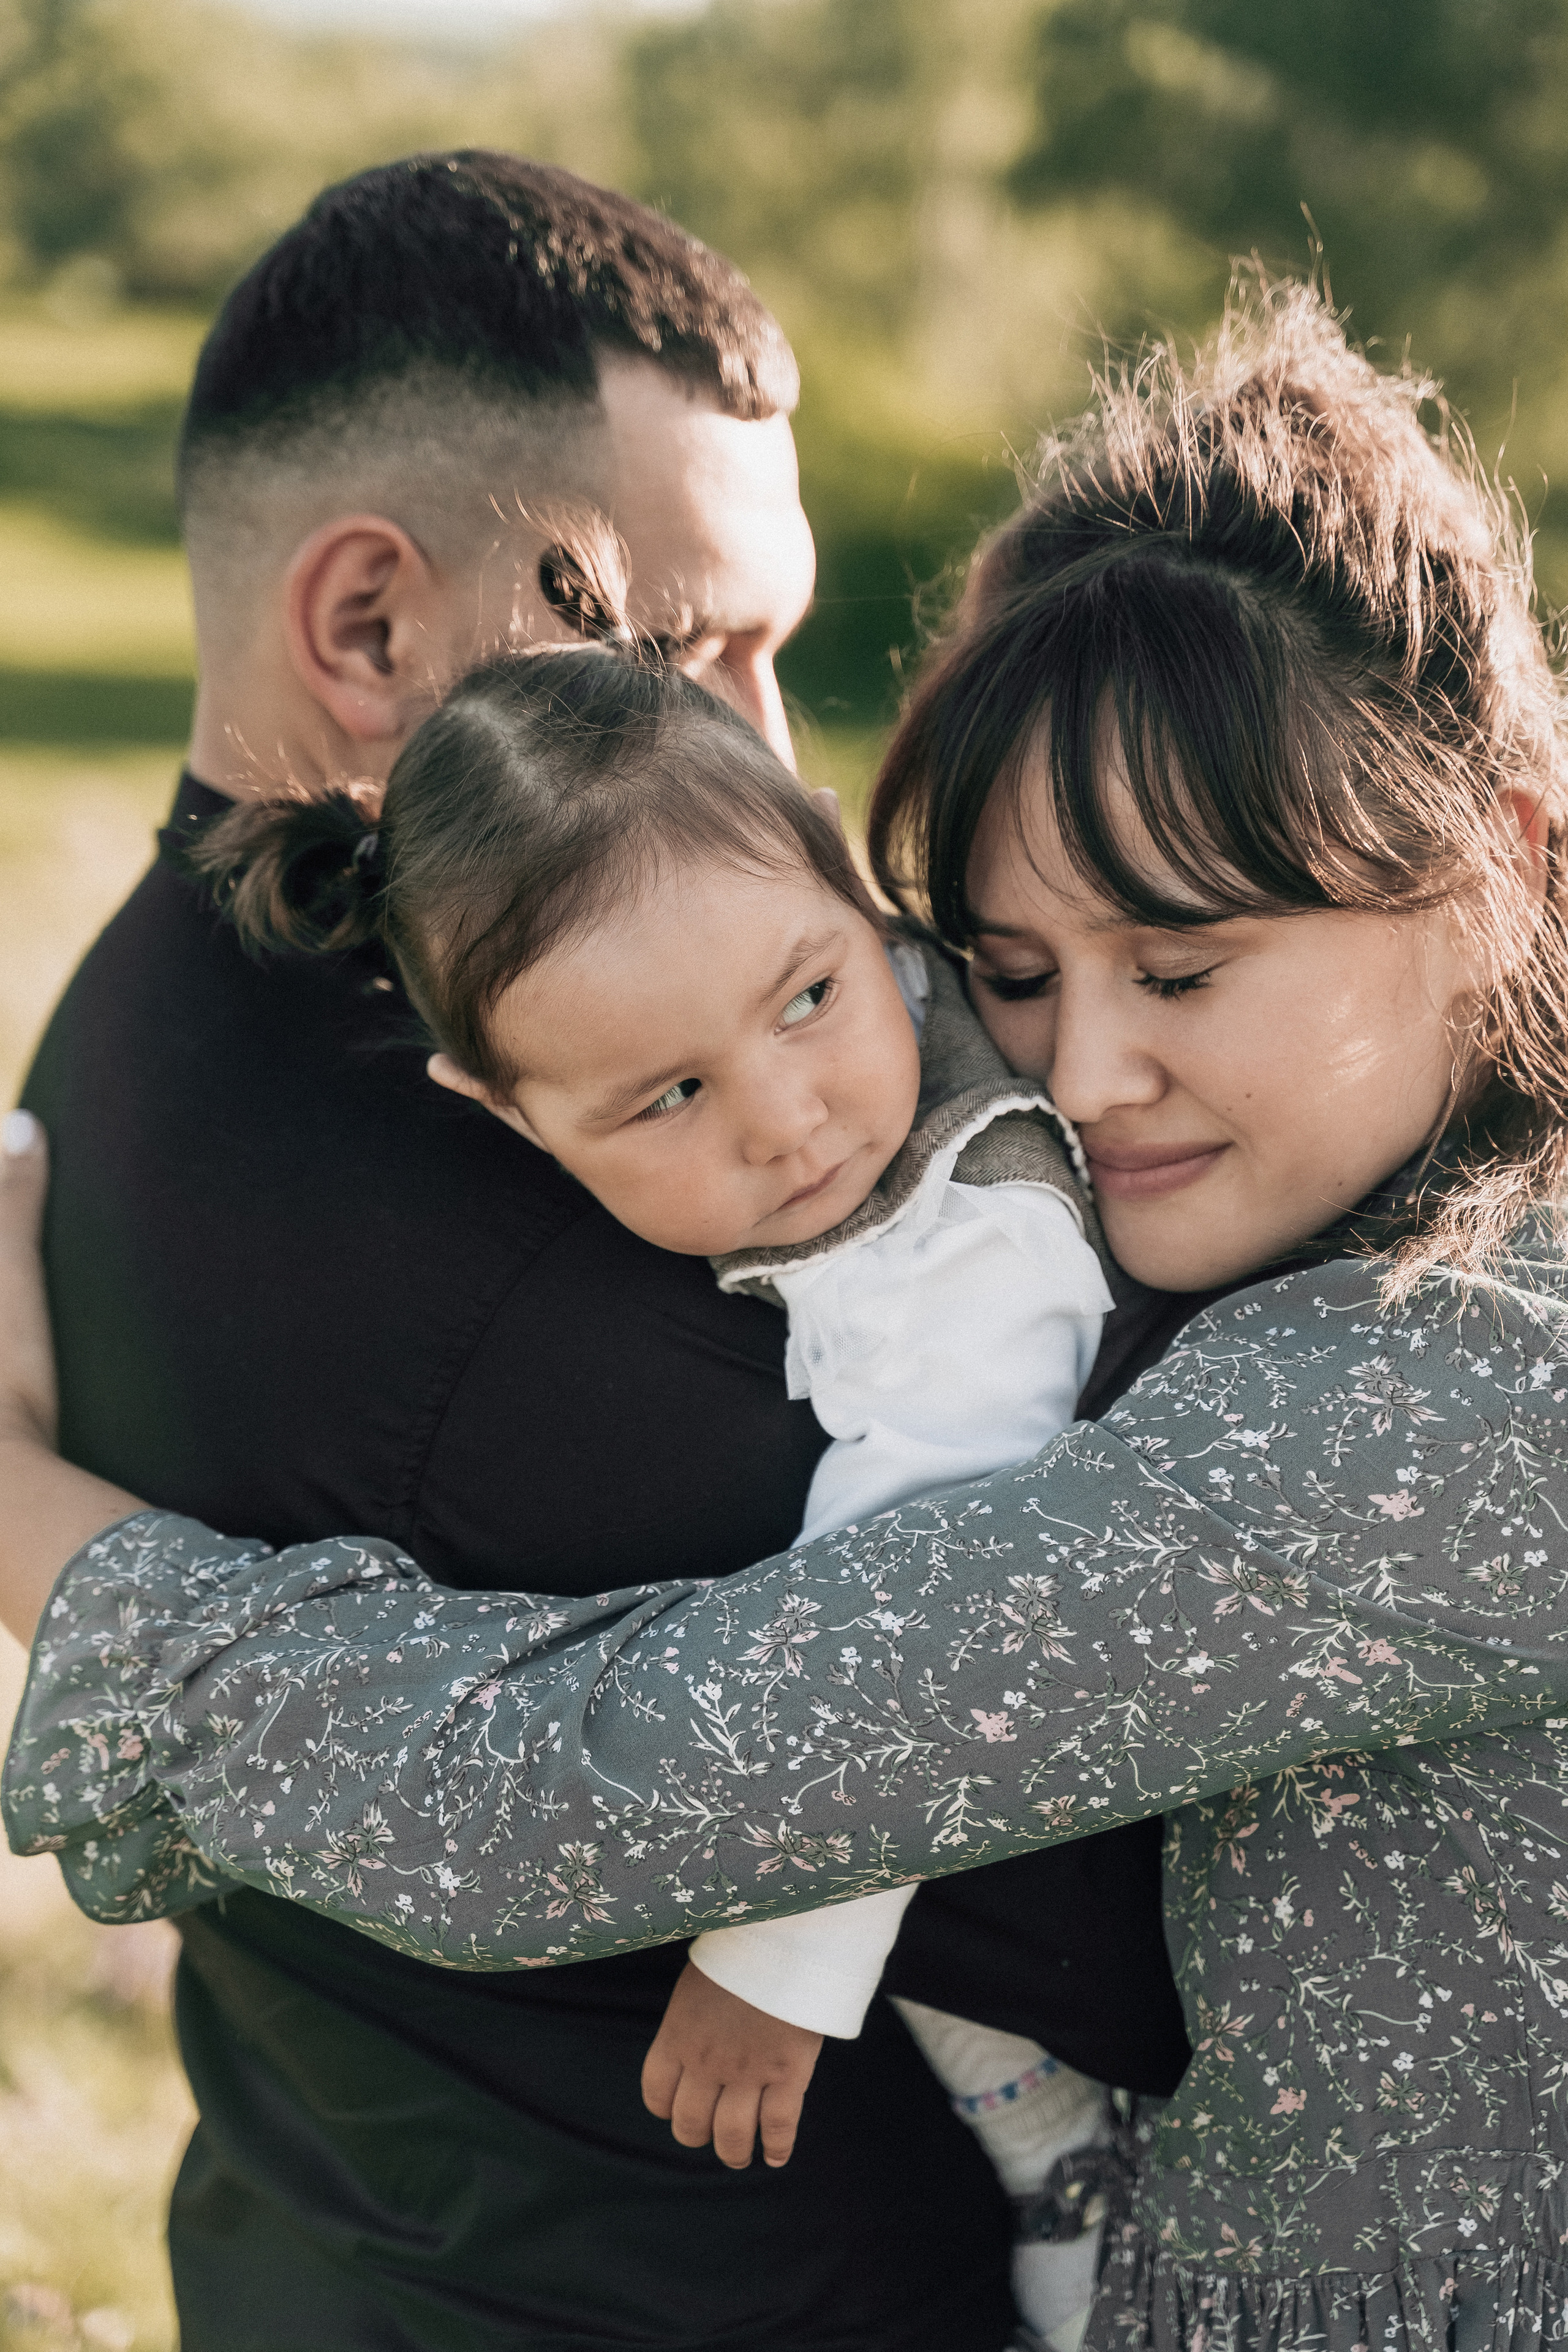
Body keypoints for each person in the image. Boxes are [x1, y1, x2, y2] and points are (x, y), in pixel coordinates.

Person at [7, 272, 1568, 2352]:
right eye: (1012, 973)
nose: (1085, 1078)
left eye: (1184, 972)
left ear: (1505, 864)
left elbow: (558, 1797)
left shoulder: (1444, 1397)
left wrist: (19, 1511)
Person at [184, 616, 1121, 2346]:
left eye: (811, 996)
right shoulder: (756, 1077)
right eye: (670, 1094)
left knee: (1066, 2166)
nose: (786, 1117)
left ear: (844, 874)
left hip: (1055, 1794)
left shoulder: (976, 1244)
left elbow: (925, 1622)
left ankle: (1083, 2214)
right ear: (504, 1115)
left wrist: (777, 1960)